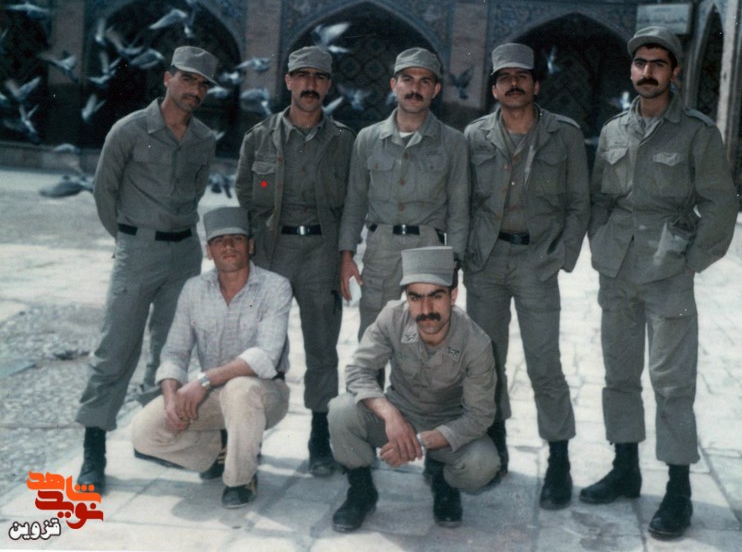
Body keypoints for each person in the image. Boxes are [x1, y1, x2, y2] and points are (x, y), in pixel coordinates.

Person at [581, 26, 738, 539]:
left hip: (669, 270)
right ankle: (625, 468)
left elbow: (721, 202)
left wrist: (693, 261)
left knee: (672, 383)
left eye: (658, 64)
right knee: (619, 374)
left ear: (674, 72)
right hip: (618, 269)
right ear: (632, 69)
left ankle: (678, 489)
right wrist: (600, 239)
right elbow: (600, 196)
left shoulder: (697, 132)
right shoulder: (614, 130)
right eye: (640, 63)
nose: (647, 72)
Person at [76, 46, 220, 493]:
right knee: (116, 347)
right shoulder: (129, 130)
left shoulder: (203, 139)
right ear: (167, 78)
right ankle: (94, 451)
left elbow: (196, 192)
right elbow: (104, 192)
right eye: (188, 79)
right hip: (137, 251)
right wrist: (130, 240)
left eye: (203, 84)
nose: (195, 90)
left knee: (170, 349)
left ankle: (151, 438)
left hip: (184, 253)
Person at [463, 43, 590, 510]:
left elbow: (580, 203)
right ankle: (495, 445)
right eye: (504, 78)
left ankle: (558, 460)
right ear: (494, 88)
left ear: (537, 84)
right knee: (486, 361)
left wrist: (561, 256)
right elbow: (463, 201)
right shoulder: (475, 135)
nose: (513, 84)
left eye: (522, 76)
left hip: (538, 262)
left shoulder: (564, 135)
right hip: (487, 263)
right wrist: (464, 256)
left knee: (544, 364)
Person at [235, 46, 354, 477]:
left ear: (328, 85)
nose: (310, 85)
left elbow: (353, 203)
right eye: (302, 76)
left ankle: (320, 438)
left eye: (318, 78)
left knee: (322, 348)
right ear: (287, 81)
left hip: (321, 252)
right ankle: (252, 430)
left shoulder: (344, 141)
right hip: (273, 252)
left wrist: (345, 255)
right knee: (265, 347)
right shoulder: (260, 137)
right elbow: (245, 196)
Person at [328, 246, 499, 532]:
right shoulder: (392, 317)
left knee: (483, 463)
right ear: (406, 297)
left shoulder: (476, 343)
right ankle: (360, 490)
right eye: (415, 297)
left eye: (436, 296)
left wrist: (420, 442)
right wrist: (390, 415)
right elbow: (358, 370)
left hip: (448, 425)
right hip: (400, 412)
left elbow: (480, 416)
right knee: (340, 411)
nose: (426, 309)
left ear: (453, 296)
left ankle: (444, 484)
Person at [131, 206, 292, 508]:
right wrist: (170, 396)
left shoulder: (275, 286)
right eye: (219, 241)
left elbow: (265, 356)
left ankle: (240, 478)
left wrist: (203, 380)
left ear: (250, 245)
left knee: (240, 389)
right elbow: (174, 351)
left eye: (236, 239)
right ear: (209, 251)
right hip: (212, 394)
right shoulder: (194, 289)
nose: (228, 246)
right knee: (144, 432)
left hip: (265, 393)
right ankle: (220, 450)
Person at [338, 47, 469, 341]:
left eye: (425, 81)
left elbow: (460, 211)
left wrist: (452, 266)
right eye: (407, 79)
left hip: (429, 249)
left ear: (436, 89)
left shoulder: (453, 142)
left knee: (427, 334)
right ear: (393, 85)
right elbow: (355, 202)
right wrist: (346, 255)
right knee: (373, 333)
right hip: (380, 247)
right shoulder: (368, 138)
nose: (415, 88)